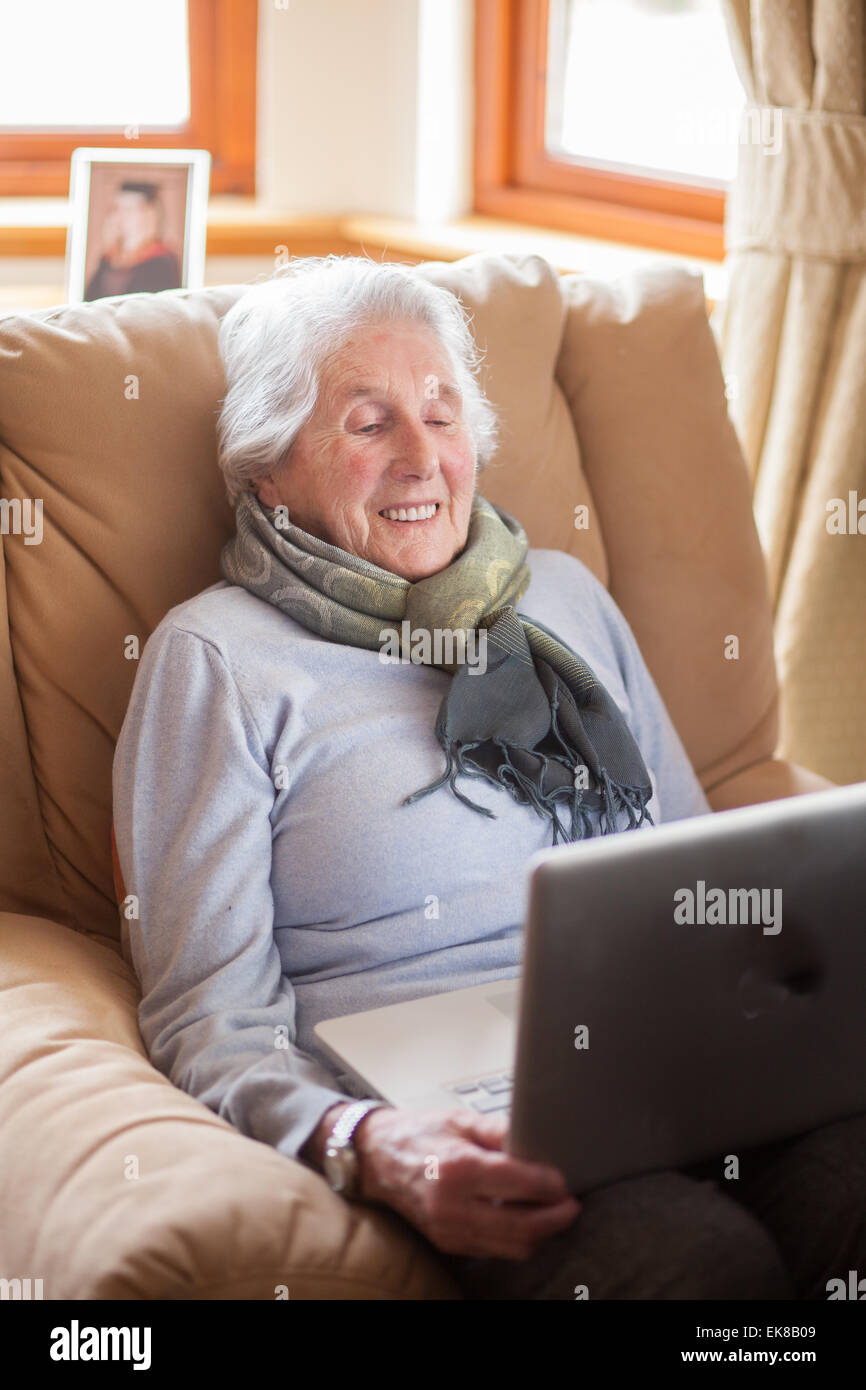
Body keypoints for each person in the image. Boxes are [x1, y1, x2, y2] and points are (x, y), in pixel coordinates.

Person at [112, 255, 866, 1300]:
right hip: (461, 1115)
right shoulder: (218, 660)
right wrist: (366, 1140)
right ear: (268, 469)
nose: (422, 457)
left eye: (441, 413)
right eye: (368, 422)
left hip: (671, 1052)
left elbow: (693, 863)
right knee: (697, 1272)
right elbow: (209, 1014)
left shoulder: (559, 594)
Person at [84, 181, 181, 300]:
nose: (120, 216)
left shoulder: (161, 262)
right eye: (116, 209)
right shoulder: (108, 259)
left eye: (129, 209)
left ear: (150, 214)